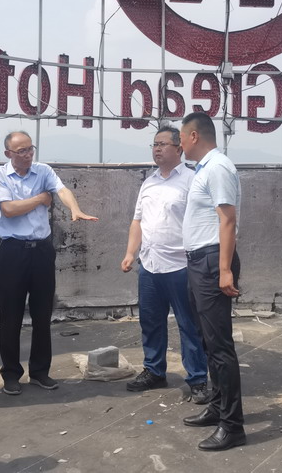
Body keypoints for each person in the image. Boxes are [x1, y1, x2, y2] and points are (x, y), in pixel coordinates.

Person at [0, 131, 97, 395]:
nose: (27, 155)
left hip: (42, 251)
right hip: (13, 251)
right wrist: (40, 199)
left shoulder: (43, 171)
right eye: (21, 151)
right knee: (11, 315)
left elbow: (62, 190)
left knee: (42, 314)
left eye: (30, 149)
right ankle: (11, 374)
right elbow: (8, 209)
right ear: (8, 154)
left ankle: (39, 371)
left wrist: (74, 208)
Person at [121, 125, 210, 404]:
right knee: (150, 322)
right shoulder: (149, 182)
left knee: (189, 325)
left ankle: (197, 379)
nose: (157, 149)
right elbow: (138, 221)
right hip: (149, 265)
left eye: (163, 144)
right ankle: (154, 370)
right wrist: (130, 253)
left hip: (181, 266)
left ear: (179, 148)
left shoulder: (192, 180)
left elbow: (205, 221)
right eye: (154, 144)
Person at [178, 111, 246, 452]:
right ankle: (218, 407)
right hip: (199, 262)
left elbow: (228, 220)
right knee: (208, 342)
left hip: (211, 262)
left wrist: (224, 270)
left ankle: (232, 426)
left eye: (180, 137)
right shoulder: (203, 169)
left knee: (220, 347)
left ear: (193, 136)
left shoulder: (218, 167)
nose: (179, 144)